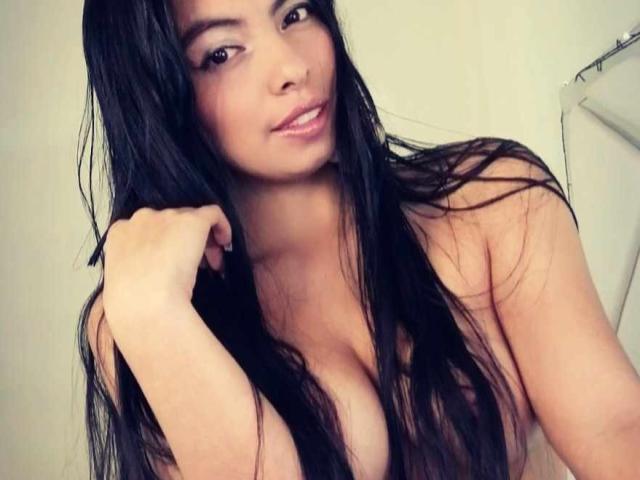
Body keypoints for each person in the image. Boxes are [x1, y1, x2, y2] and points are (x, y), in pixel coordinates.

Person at [76, 0, 640, 479]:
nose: (291, 66)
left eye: (294, 13)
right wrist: (153, 315)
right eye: (221, 53)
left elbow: (616, 428)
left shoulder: (491, 203)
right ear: (156, 92)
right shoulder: (148, 313)